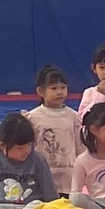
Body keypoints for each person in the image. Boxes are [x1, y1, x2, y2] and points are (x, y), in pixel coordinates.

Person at [27, 64, 83, 195]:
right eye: (54, 88)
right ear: (41, 91)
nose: (60, 92)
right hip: (41, 177)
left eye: (63, 87)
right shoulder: (32, 117)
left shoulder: (73, 116)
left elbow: (79, 146)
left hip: (68, 178)